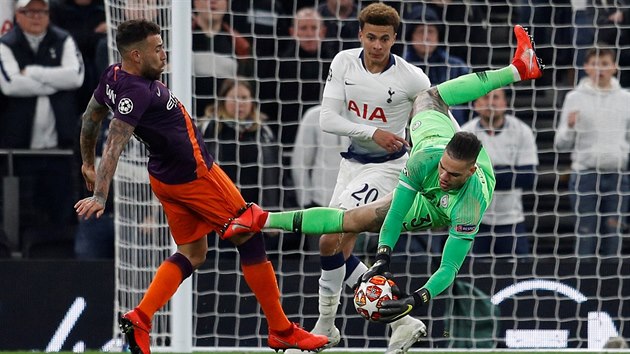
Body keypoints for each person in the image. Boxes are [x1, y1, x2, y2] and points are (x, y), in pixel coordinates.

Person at [224, 24, 543, 353]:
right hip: (401, 157)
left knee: (343, 231)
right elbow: (396, 211)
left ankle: (359, 321)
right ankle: (519, 68)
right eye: (444, 169)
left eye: (453, 174)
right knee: (429, 99)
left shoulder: (470, 205)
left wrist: (416, 299)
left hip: (435, 204)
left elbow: (448, 267)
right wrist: (382, 257)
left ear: (470, 171)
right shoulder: (423, 161)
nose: (445, 176)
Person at [73, 19, 328, 354]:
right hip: (196, 176)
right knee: (250, 235)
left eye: (163, 45)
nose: (164, 54)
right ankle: (281, 329)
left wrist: (86, 162)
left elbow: (91, 118)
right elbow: (115, 143)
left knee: (194, 253)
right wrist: (100, 194)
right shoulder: (135, 91)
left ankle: (141, 317)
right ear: (136, 55)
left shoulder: (114, 75)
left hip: (165, 177)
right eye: (157, 48)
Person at [278, 3, 433, 352]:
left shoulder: (412, 77)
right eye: (371, 37)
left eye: (385, 39)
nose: (377, 46)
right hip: (351, 164)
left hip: (389, 167)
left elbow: (437, 116)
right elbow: (328, 119)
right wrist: (372, 132)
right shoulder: (343, 62)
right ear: (360, 34)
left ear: (395, 39)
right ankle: (402, 320)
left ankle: (325, 326)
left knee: (330, 237)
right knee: (331, 244)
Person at [0, 0, 84, 244]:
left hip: (60, 149)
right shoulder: (6, 44)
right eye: (30, 11)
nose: (36, 17)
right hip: (19, 150)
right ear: (17, 14)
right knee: (21, 214)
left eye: (41, 11)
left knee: (62, 214)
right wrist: (55, 83)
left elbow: (76, 77)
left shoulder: (63, 39)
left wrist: (33, 73)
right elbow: (9, 84)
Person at [554, 47, 630, 258]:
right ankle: (583, 289)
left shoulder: (625, 99)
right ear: (586, 67)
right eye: (595, 64)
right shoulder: (574, 98)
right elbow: (560, 144)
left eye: (605, 63)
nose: (600, 69)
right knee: (586, 234)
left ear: (614, 67)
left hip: (617, 176)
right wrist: (569, 126)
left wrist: (621, 153)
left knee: (614, 234)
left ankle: (613, 289)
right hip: (585, 176)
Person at [461, 88, 538, 257]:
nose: (491, 102)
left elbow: (528, 177)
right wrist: (507, 172)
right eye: (485, 97)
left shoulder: (521, 131)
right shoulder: (465, 133)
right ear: (475, 105)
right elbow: (461, 179)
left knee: (519, 276)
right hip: (473, 220)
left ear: (505, 103)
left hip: (511, 219)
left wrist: (483, 175)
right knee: (473, 275)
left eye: (496, 97)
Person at [290, 105, 348, 253]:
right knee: (320, 263)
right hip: (320, 207)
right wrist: (306, 202)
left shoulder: (364, 117)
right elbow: (300, 162)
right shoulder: (314, 116)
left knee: (352, 263)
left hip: (356, 206)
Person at [403, 5, 472, 125]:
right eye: (420, 32)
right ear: (411, 36)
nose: (426, 37)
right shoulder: (402, 67)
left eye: (430, 31)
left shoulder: (456, 67)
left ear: (438, 36)